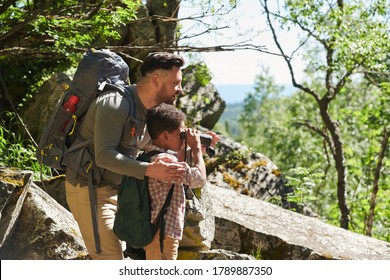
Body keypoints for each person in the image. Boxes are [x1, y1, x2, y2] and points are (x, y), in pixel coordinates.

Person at [65, 52, 187, 260]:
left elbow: (150, 144)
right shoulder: (115, 103)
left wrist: (192, 142)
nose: (180, 89)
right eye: (176, 83)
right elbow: (104, 156)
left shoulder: (148, 111)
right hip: (90, 190)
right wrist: (149, 170)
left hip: (120, 194)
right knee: (111, 260)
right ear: (156, 80)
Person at [143, 103, 207, 260]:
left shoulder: (151, 155)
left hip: (156, 231)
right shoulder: (166, 162)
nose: (183, 137)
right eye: (180, 134)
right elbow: (199, 179)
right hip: (164, 234)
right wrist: (197, 150)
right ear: (165, 136)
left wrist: (184, 146)